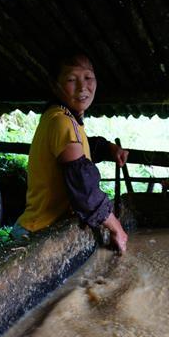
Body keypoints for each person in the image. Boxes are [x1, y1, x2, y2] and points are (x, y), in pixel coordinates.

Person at [13, 53, 129, 252]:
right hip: (37, 234)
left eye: (88, 78)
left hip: (33, 229)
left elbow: (78, 149)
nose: (83, 87)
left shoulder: (59, 117)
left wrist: (109, 149)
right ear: (55, 85)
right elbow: (84, 186)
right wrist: (116, 227)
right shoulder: (62, 122)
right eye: (71, 79)